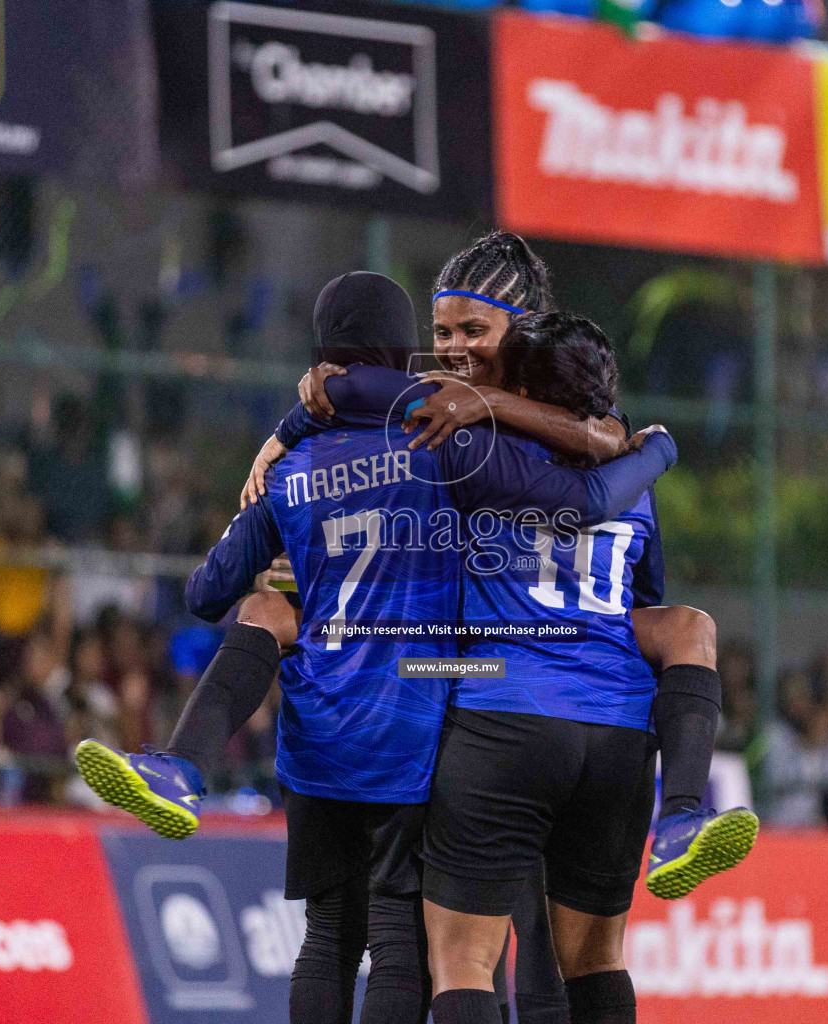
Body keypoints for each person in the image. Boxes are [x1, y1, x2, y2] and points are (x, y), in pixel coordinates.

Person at [76, 273, 675, 1024]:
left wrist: (288, 462)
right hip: (430, 710)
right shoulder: (449, 449)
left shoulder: (291, 469)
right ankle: (682, 808)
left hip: (322, 721)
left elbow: (204, 594)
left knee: (326, 937)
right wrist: (634, 447)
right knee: (413, 941)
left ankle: (181, 762)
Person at [247, 233, 751, 903]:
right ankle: (680, 811)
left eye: (473, 330)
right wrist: (291, 422)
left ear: (525, 332)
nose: (454, 346)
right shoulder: (453, 411)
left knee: (464, 951)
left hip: (481, 685)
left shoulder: (512, 419)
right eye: (443, 331)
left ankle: (683, 816)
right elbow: (604, 464)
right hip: (453, 675)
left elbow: (603, 452)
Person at [415, 312, 684, 1024]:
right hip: (620, 735)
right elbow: (645, 601)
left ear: (526, 387)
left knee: (463, 960)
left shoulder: (476, 454)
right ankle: (686, 812)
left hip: (504, 716)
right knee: (597, 960)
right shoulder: (636, 485)